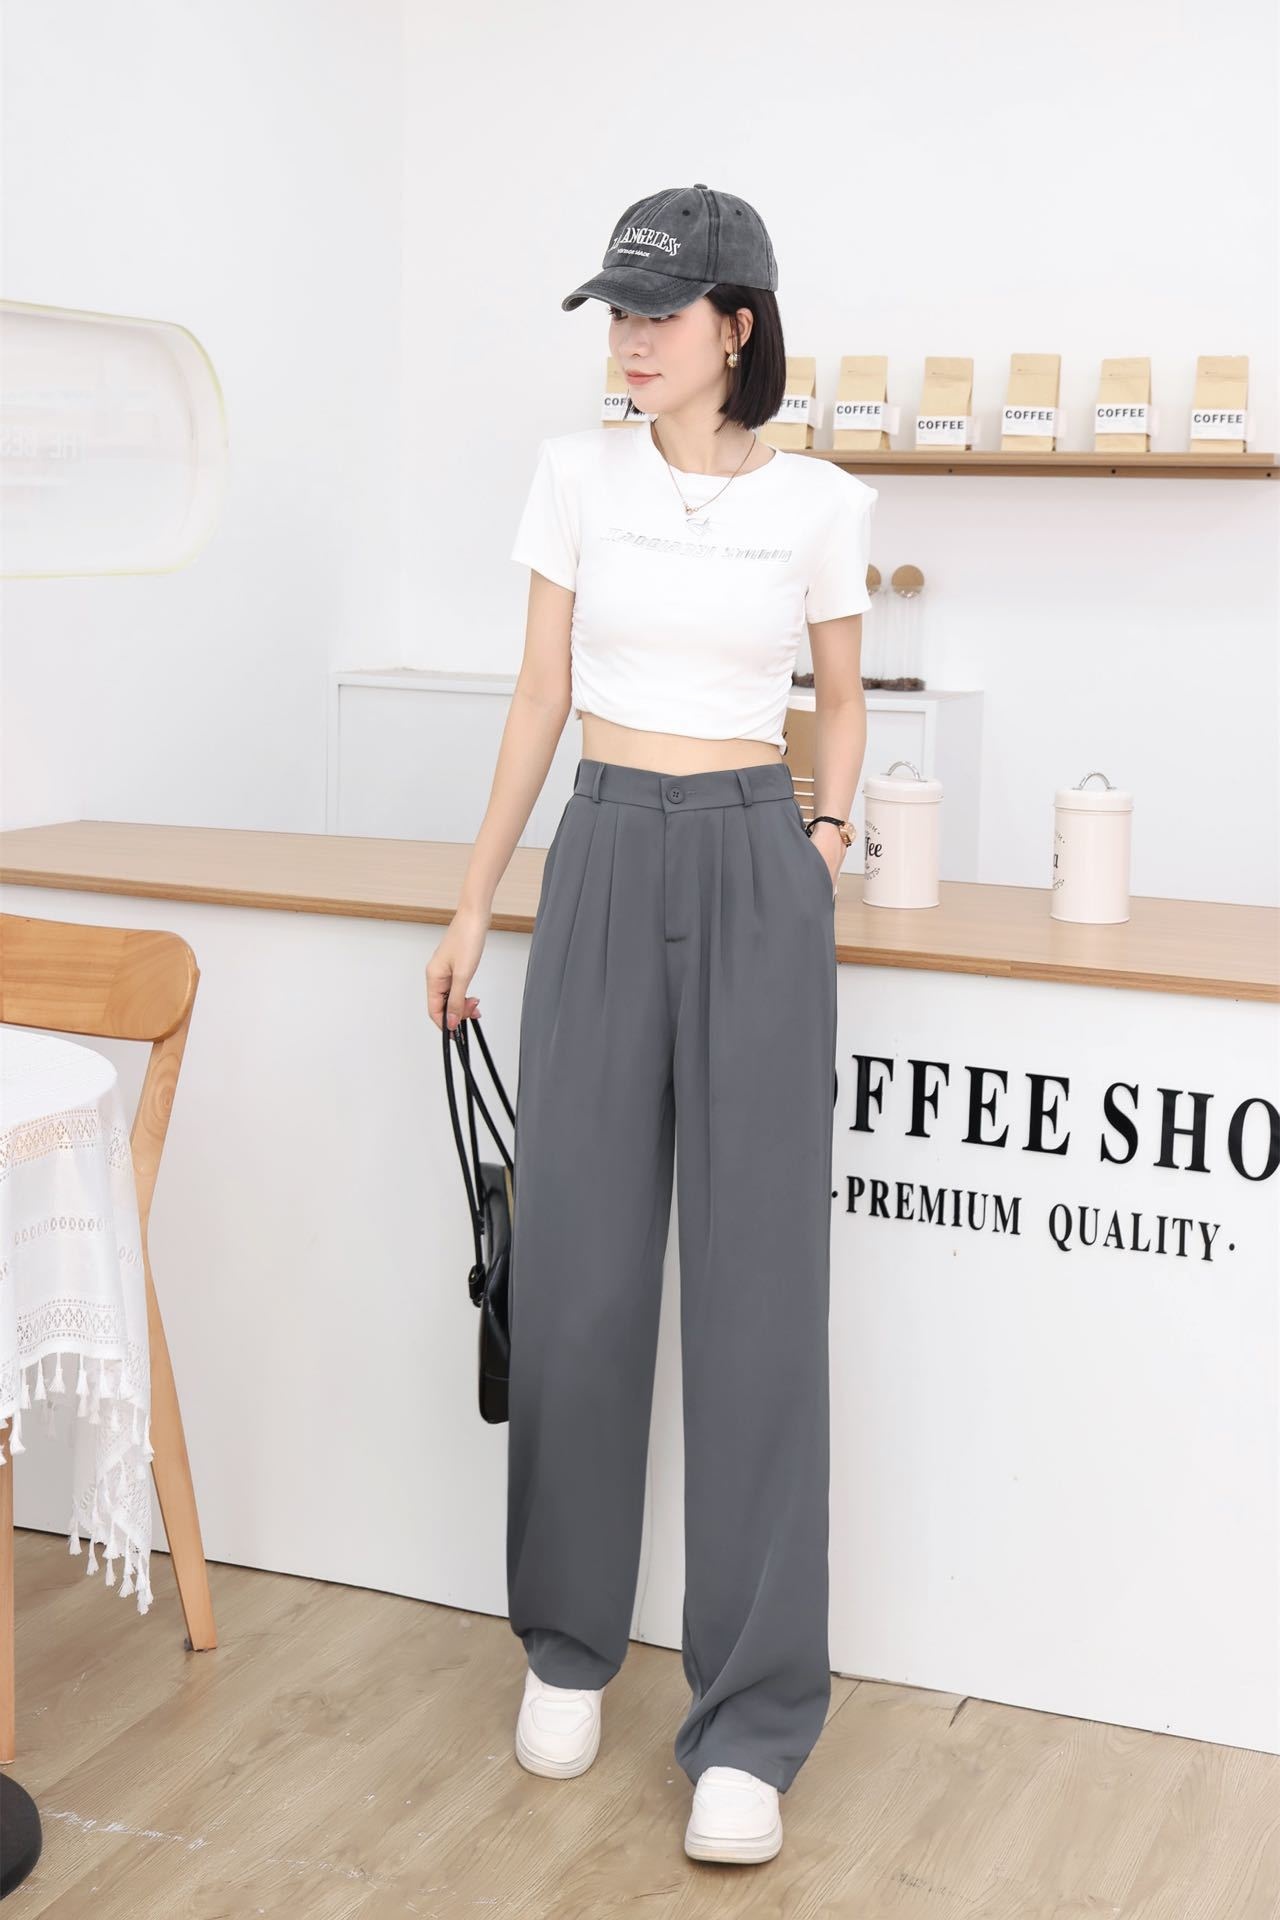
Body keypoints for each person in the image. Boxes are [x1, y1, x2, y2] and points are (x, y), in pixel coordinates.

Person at [426, 183, 877, 1868]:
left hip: (755, 863)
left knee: (759, 1301)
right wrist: (475, 900)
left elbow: (842, 698)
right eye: (615, 311)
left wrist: (820, 846)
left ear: (736, 327)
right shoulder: (574, 477)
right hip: (605, 850)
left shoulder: (820, 501)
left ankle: (750, 1722)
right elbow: (540, 696)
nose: (628, 338)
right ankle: (567, 1643)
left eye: (659, 311)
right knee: (583, 1278)